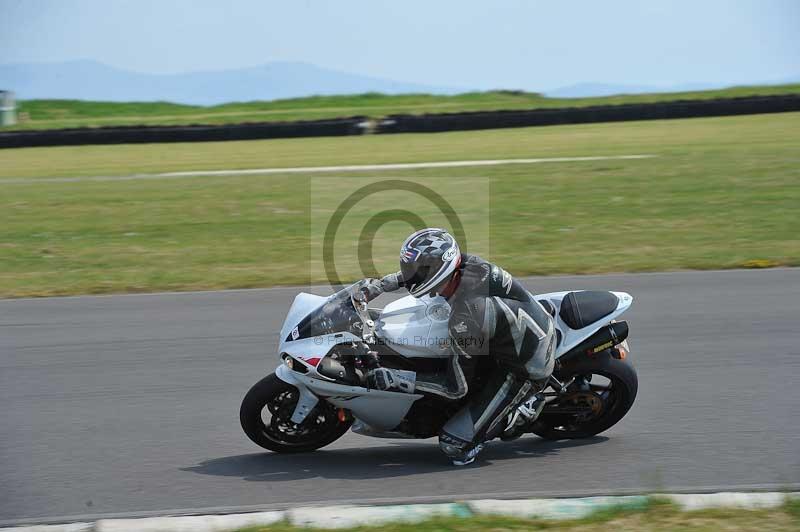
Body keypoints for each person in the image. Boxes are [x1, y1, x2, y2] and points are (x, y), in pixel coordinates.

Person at [361, 228, 556, 465]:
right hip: (510, 332)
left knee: (454, 445)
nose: (409, 274)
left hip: (522, 367)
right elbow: (419, 273)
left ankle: (521, 410)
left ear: (437, 271)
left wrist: (398, 379)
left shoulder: (466, 317)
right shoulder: (465, 263)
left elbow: (455, 387)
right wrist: (379, 286)